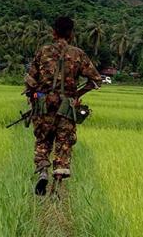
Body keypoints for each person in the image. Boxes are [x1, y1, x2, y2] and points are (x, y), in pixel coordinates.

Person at [24, 16, 102, 195]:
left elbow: (30, 80)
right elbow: (96, 79)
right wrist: (77, 95)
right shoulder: (78, 54)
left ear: (54, 32)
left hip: (43, 105)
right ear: (71, 34)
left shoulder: (43, 51)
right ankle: (57, 187)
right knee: (64, 144)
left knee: (43, 141)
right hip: (67, 107)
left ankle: (43, 172)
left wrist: (34, 95)